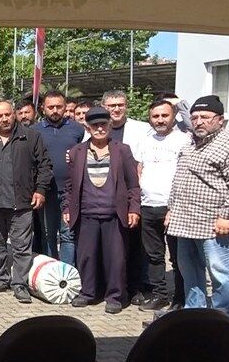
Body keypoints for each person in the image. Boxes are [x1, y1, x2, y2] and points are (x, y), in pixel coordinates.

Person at [168, 95, 229, 318]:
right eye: (195, 117)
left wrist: (227, 214)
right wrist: (171, 209)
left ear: (220, 119)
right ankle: (195, 318)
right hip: (185, 223)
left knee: (221, 276)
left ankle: (221, 322)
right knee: (190, 274)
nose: (198, 122)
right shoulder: (190, 144)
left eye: (205, 117)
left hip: (216, 226)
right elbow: (180, 180)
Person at [0, 101, 52, 304]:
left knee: (21, 247)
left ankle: (20, 284)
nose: (4, 119)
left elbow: (44, 165)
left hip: (21, 203)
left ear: (14, 114)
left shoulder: (30, 137)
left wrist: (40, 190)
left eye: (7, 114)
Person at [62, 107, 140, 314]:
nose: (99, 129)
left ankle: (115, 296)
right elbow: (70, 185)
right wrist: (67, 207)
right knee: (86, 257)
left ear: (110, 125)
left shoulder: (122, 150)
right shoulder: (77, 151)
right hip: (86, 213)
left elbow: (133, 184)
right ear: (87, 127)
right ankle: (88, 293)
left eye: (103, 124)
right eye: (94, 125)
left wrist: (134, 208)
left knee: (115, 259)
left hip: (114, 214)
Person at [134, 99, 191, 311]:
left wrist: (175, 207)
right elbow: (139, 169)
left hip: (174, 208)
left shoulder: (184, 141)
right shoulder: (145, 141)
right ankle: (160, 295)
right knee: (153, 255)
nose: (160, 120)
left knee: (178, 257)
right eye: (155, 116)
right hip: (148, 206)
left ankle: (180, 298)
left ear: (173, 116)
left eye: (164, 115)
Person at [102, 90, 154, 305]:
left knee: (135, 244)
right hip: (105, 196)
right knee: (113, 245)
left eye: (120, 105)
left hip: (132, 193)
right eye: (111, 105)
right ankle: (111, 285)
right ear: (104, 107)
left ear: (126, 106)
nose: (116, 109)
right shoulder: (96, 128)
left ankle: (136, 287)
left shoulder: (142, 129)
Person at [34, 90, 86, 264]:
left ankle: (67, 271)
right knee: (47, 233)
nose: (55, 110)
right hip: (46, 192)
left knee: (68, 234)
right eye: (51, 107)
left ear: (65, 107)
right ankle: (52, 272)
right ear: (43, 108)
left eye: (59, 106)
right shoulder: (34, 131)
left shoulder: (77, 129)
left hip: (70, 192)